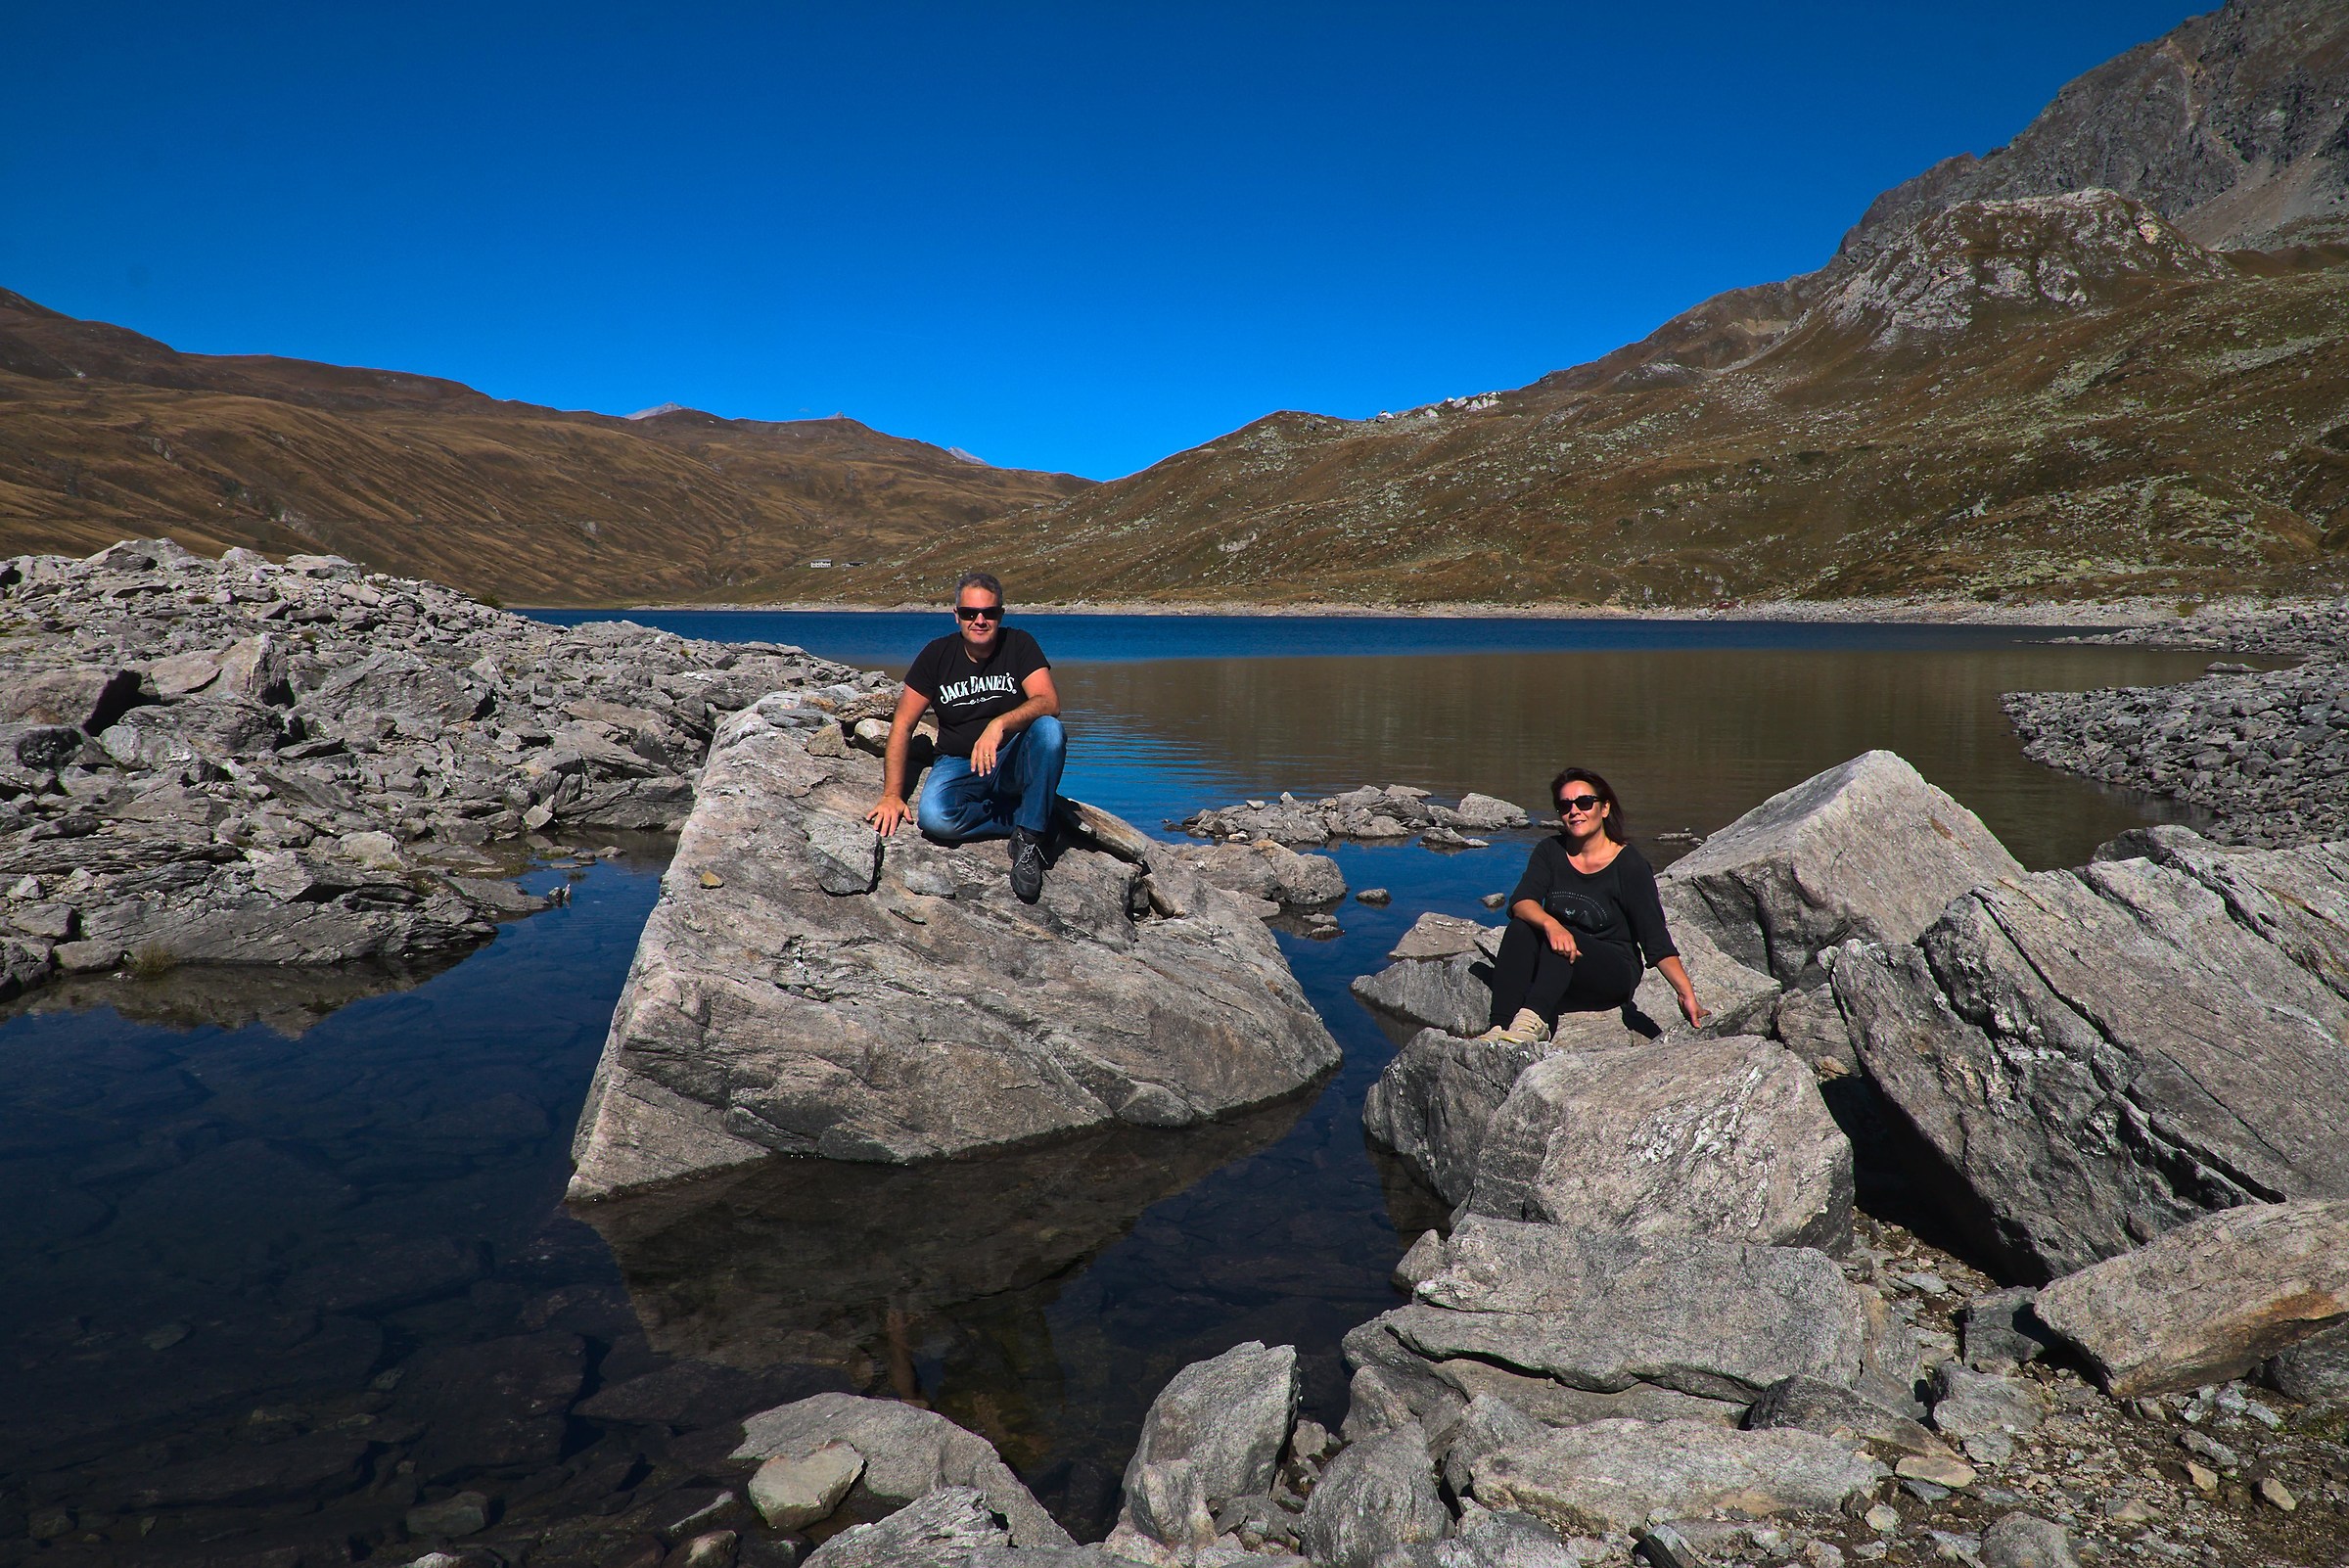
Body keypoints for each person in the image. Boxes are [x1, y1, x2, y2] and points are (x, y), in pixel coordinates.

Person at [865, 571, 1065, 902]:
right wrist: (891, 795)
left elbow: (1049, 702)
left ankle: (1029, 840)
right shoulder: (936, 655)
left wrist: (999, 724)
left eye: (989, 613)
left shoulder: (1020, 645)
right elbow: (903, 724)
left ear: (1001, 615)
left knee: (1049, 730)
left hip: (1010, 760)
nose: (980, 620)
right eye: (971, 613)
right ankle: (1037, 816)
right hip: (958, 764)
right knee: (935, 819)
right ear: (957, 615)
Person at [1478, 766, 1707, 1044]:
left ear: (1605, 808)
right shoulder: (1550, 851)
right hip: (1561, 966)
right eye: (1565, 805)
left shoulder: (1629, 865)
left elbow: (1655, 940)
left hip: (1612, 973)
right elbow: (1521, 902)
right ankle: (1498, 1027)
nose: (1574, 811)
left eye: (1584, 802)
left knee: (1562, 939)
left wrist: (1686, 994)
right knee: (1521, 928)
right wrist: (1551, 925)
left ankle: (1532, 1023)